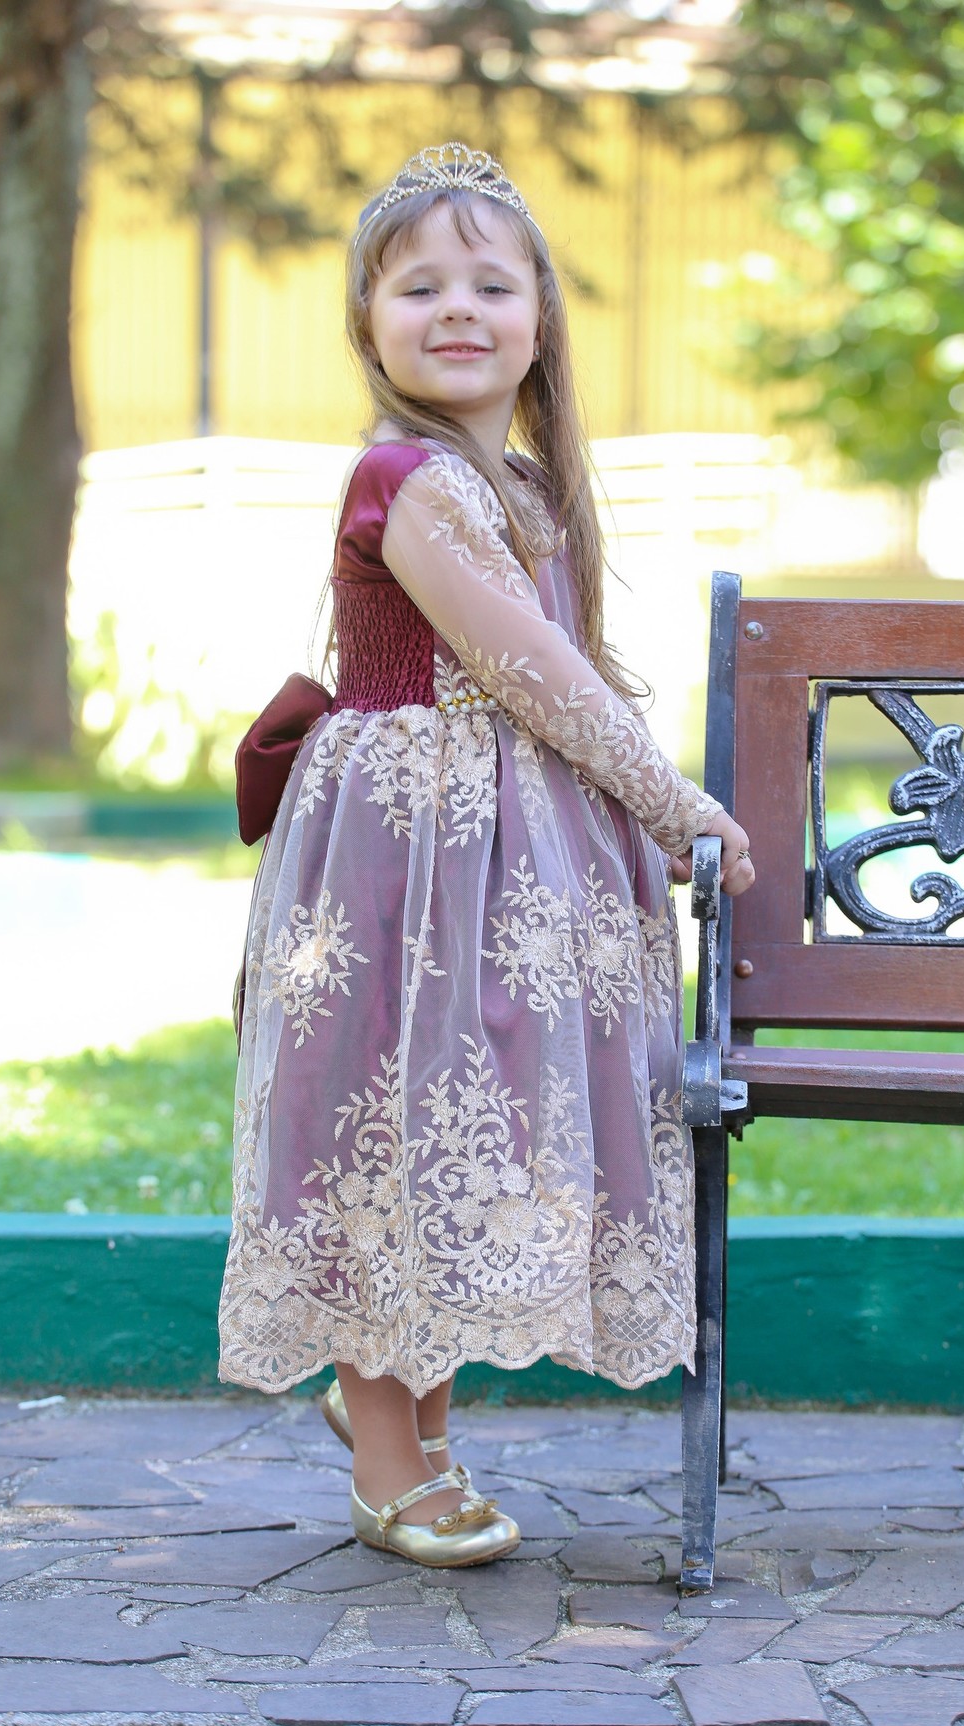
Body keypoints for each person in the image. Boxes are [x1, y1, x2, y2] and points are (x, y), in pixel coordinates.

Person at [218, 143, 755, 1570]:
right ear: (369, 323)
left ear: (540, 318)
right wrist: (674, 805)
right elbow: (536, 675)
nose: (457, 308)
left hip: (505, 856)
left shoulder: (517, 481)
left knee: (466, 1114)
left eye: (490, 284)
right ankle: (386, 1447)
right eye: (419, 287)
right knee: (387, 1110)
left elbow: (569, 668)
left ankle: (408, 1410)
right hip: (405, 851)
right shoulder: (406, 479)